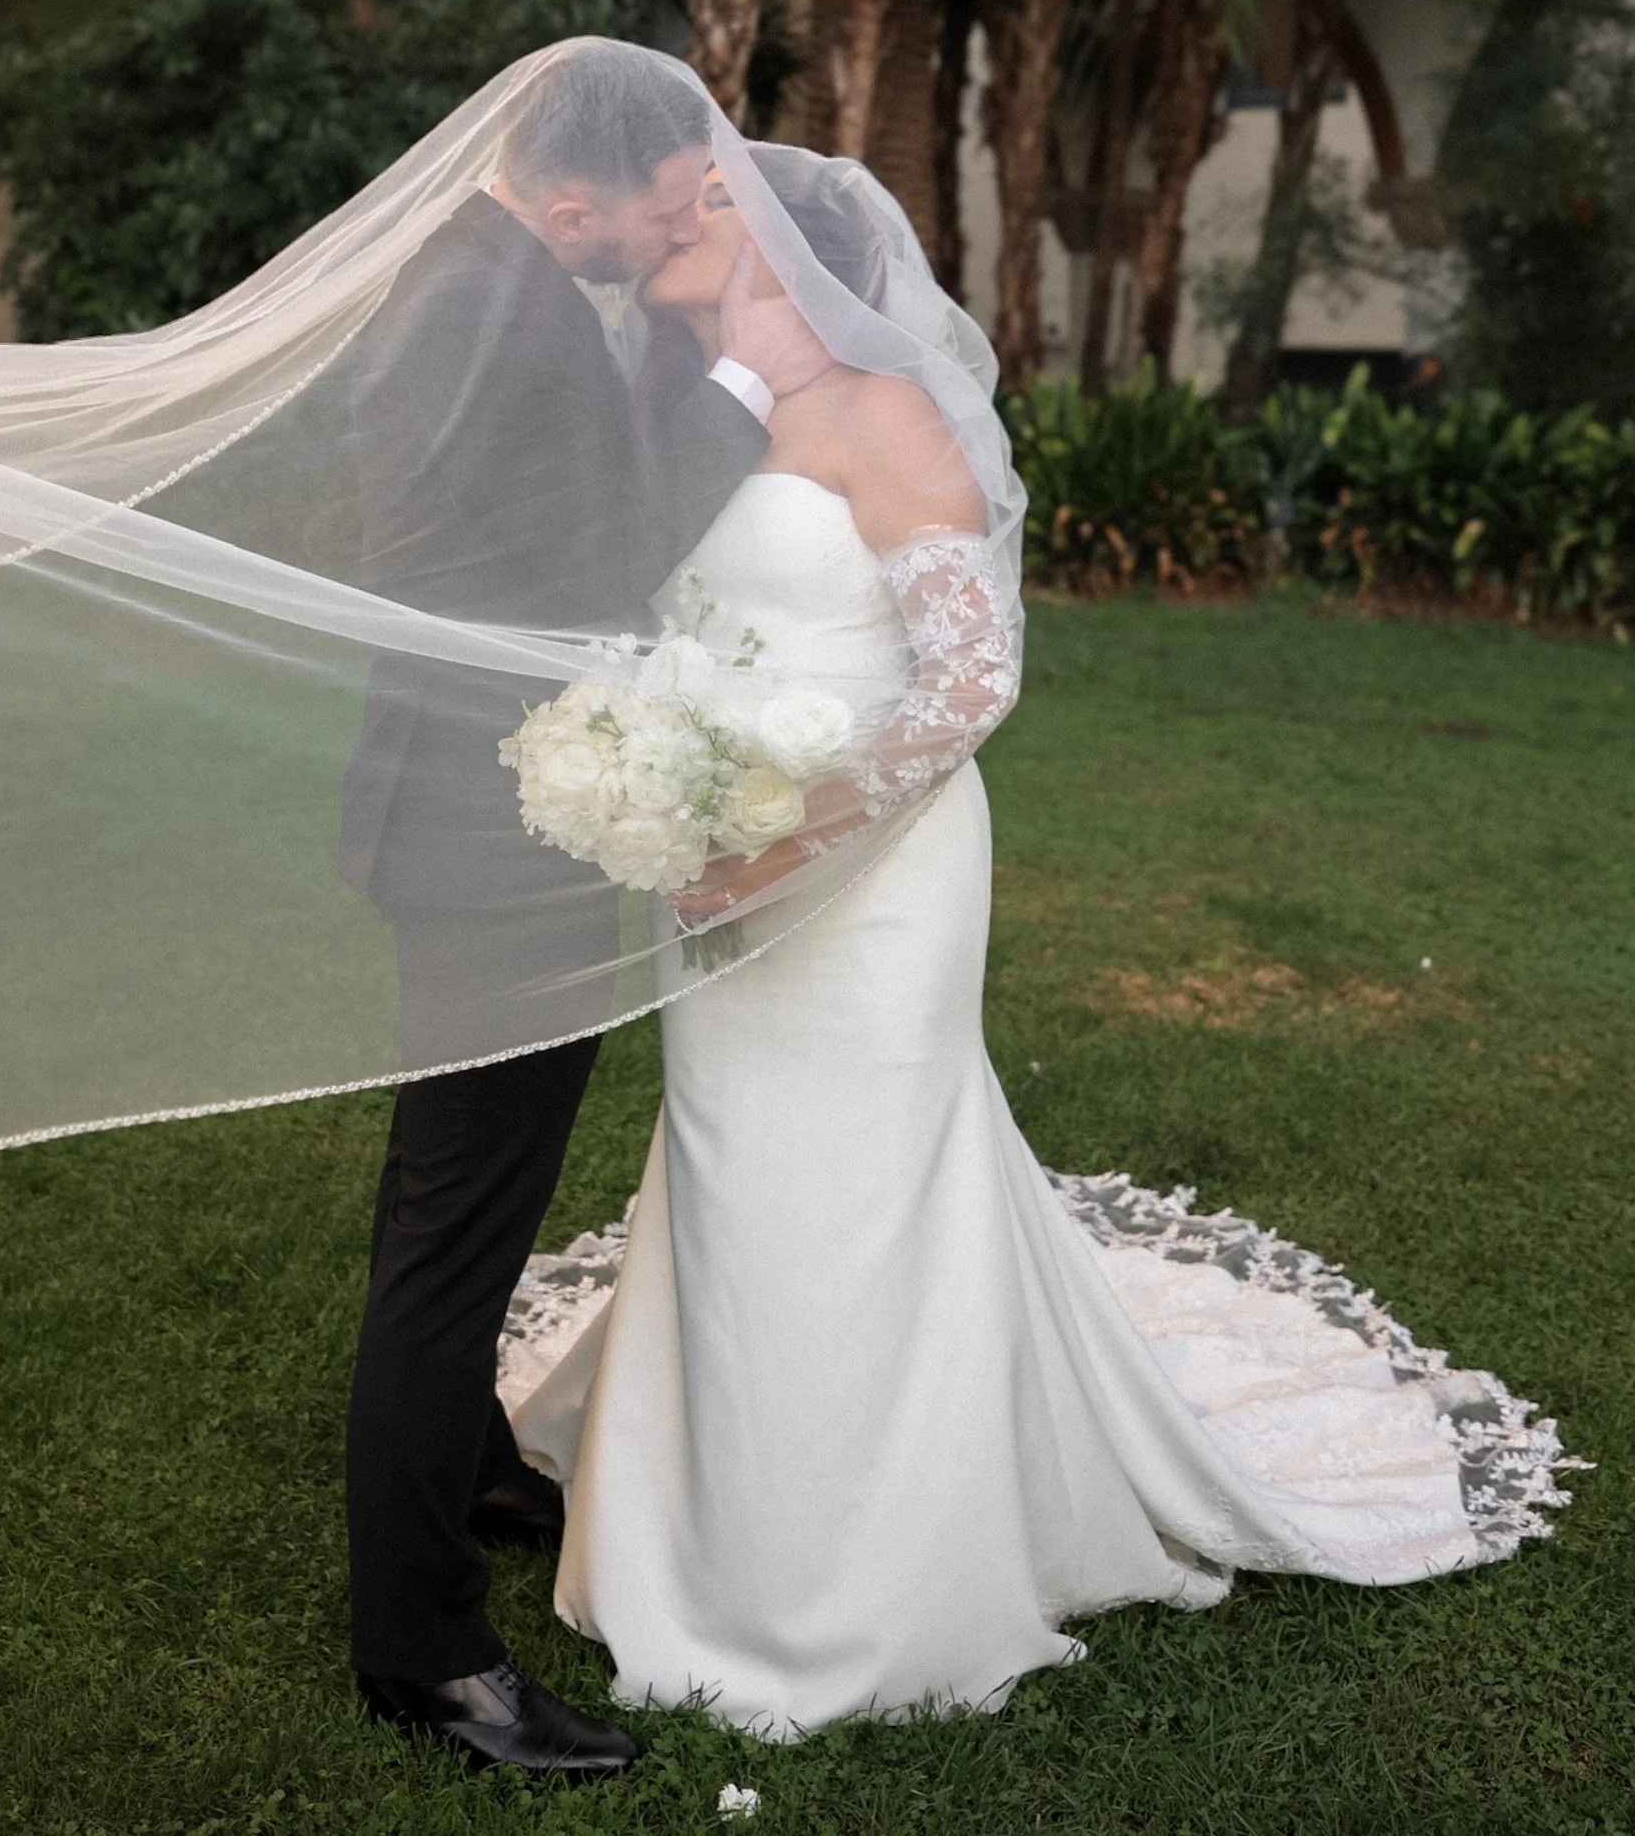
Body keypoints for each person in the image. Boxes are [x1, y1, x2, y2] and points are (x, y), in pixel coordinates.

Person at [503, 147, 1573, 1738]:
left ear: (777, 241)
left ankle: (865, 1566)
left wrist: (788, 833)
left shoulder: (888, 414)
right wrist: (657, 785)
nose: (671, 214)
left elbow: (967, 681)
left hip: (869, 872)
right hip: (717, 858)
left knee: (861, 1169)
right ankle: (705, 1522)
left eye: (702, 196)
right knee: (729, 1153)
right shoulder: (700, 410)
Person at [338, 50, 832, 1775]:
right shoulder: (501, 311)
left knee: (454, 1195)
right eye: (657, 209)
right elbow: (596, 543)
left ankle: (469, 1465)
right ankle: (422, 1648)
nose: (672, 232)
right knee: (457, 1227)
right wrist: (749, 395)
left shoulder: (477, 282)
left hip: (468, 813)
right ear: (568, 205)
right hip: (493, 837)